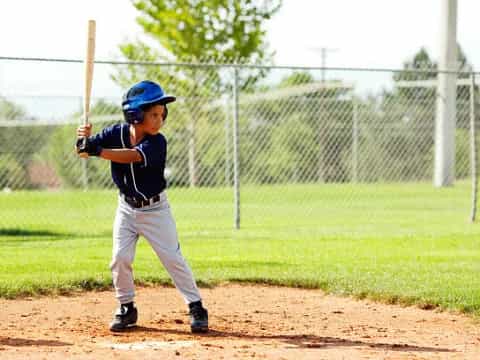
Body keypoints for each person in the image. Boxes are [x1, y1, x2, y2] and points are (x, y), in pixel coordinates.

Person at [75, 80, 208, 333]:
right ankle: (126, 307)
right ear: (135, 115)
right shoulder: (115, 133)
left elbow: (133, 155)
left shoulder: (158, 142)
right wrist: (83, 141)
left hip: (156, 210)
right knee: (119, 258)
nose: (160, 119)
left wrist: (98, 150)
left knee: (172, 258)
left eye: (162, 114)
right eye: (153, 114)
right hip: (126, 209)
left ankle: (196, 306)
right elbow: (83, 151)